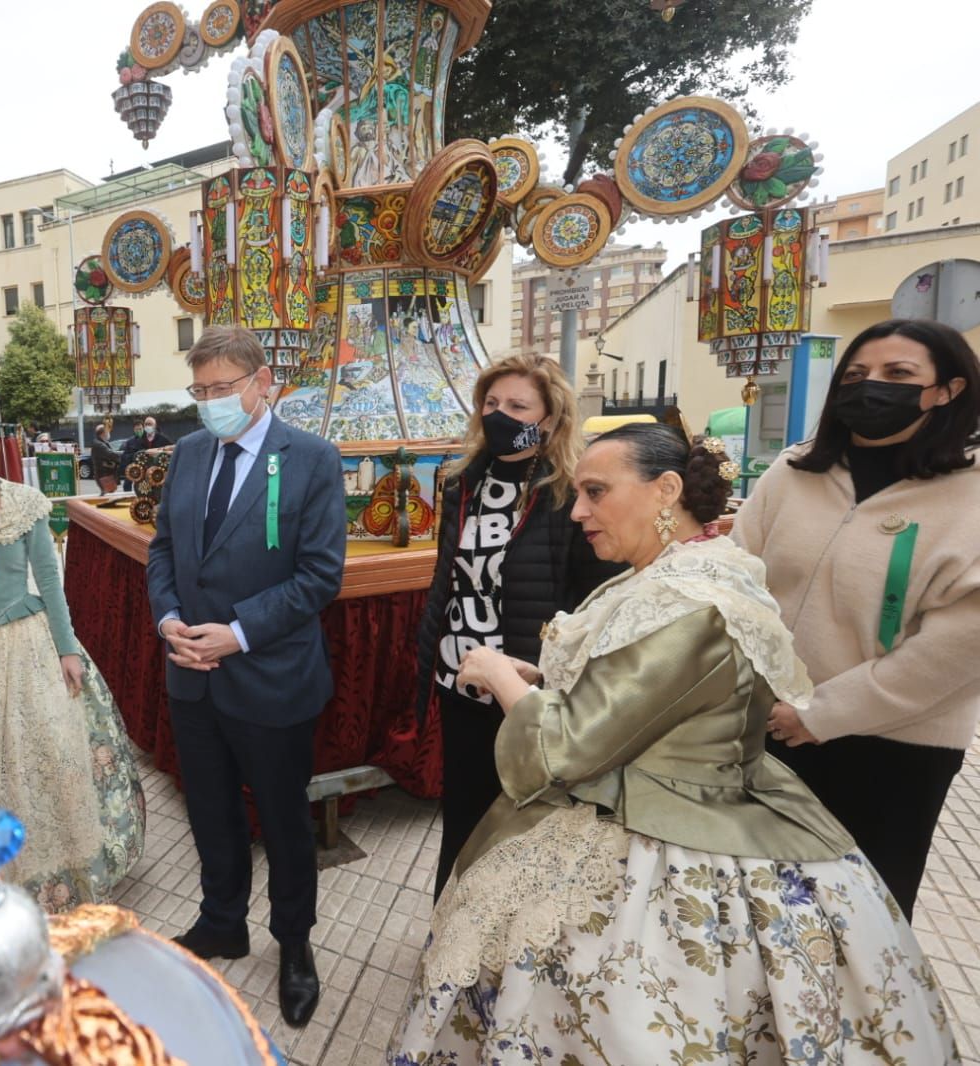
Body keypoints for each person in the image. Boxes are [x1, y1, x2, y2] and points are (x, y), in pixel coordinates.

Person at [389, 423, 957, 1063]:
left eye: (596, 492)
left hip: (673, 839)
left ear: (665, 490)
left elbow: (571, 747)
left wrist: (497, 674)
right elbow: (644, 701)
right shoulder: (676, 576)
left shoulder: (688, 600)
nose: (578, 512)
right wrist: (542, 680)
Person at [733, 318, 980, 918]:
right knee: (757, 909)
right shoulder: (794, 471)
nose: (872, 386)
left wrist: (824, 712)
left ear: (947, 390)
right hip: (766, 725)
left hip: (891, 747)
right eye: (857, 374)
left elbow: (958, 645)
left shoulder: (969, 493)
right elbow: (733, 577)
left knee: (858, 918)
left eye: (899, 373)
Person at [145, 325, 347, 1028]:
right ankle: (221, 921)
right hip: (192, 674)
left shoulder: (311, 459)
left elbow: (319, 576)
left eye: (222, 388)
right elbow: (164, 550)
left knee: (284, 820)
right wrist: (169, 619)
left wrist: (235, 634)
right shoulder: (189, 452)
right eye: (199, 390)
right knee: (209, 810)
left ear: (263, 383)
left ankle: (293, 943)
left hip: (270, 674)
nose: (209, 403)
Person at [0, 405, 144, 913]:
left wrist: (67, 649)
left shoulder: (26, 503)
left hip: (26, 645)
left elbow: (49, 582)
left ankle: (50, 882)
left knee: (46, 757)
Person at [414, 353, 621, 898]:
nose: (499, 415)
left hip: (528, 689)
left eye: (517, 406)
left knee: (521, 823)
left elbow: (595, 597)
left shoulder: (571, 493)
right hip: (460, 680)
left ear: (550, 418)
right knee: (463, 816)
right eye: (491, 403)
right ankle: (449, 926)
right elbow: (446, 578)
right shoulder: (462, 482)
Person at [90, 423, 121, 493]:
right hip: (104, 475)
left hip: (106, 475)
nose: (108, 433)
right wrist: (123, 455)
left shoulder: (102, 443)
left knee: (109, 493)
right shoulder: (99, 444)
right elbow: (111, 454)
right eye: (107, 431)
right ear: (103, 433)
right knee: (108, 495)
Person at [118, 421, 146, 490]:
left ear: (143, 428)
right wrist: (134, 455)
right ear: (134, 430)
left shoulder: (148, 440)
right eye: (137, 429)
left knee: (143, 486)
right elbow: (125, 455)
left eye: (140, 429)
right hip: (133, 466)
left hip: (145, 466)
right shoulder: (130, 441)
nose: (139, 431)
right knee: (126, 485)